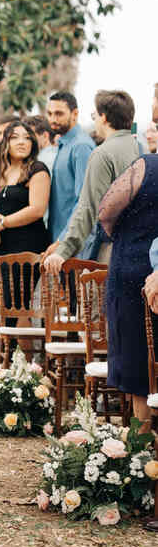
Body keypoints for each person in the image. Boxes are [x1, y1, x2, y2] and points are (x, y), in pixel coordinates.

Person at [43, 91, 140, 273]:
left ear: (103, 117)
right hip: (137, 248)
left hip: (110, 250)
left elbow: (88, 206)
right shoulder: (138, 147)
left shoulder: (101, 153)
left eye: (94, 115)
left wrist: (63, 249)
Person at [98, 155, 158, 428]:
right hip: (144, 268)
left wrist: (118, 233)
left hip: (132, 265)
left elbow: (106, 210)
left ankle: (142, 440)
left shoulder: (147, 164)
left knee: (137, 358)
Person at [0, 121, 50, 308]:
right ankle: (7, 339)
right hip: (1, 247)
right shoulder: (0, 170)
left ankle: (20, 338)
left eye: (27, 138)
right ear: (5, 143)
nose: (22, 142)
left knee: (21, 307)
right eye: (15, 137)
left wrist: (3, 222)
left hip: (27, 246)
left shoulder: (37, 169)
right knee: (6, 306)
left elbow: (37, 209)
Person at [46, 91, 95, 241]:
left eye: (59, 114)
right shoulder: (64, 144)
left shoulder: (81, 147)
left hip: (72, 243)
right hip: (58, 239)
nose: (53, 119)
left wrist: (63, 241)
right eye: (50, 113)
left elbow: (84, 201)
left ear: (75, 114)